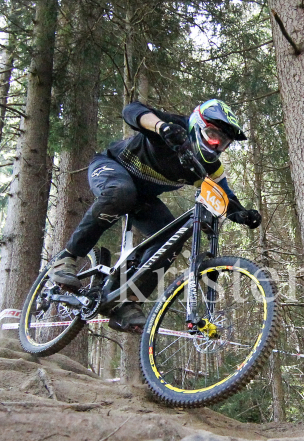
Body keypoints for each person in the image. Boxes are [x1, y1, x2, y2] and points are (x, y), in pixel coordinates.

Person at [48, 99, 261, 332]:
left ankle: (129, 302)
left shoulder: (210, 167)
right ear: (198, 125)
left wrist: (241, 214)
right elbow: (131, 110)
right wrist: (161, 127)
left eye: (224, 142)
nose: (217, 145)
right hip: (110, 166)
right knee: (121, 192)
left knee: (171, 239)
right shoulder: (175, 128)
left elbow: (223, 196)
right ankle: (66, 259)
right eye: (212, 136)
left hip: (143, 198)